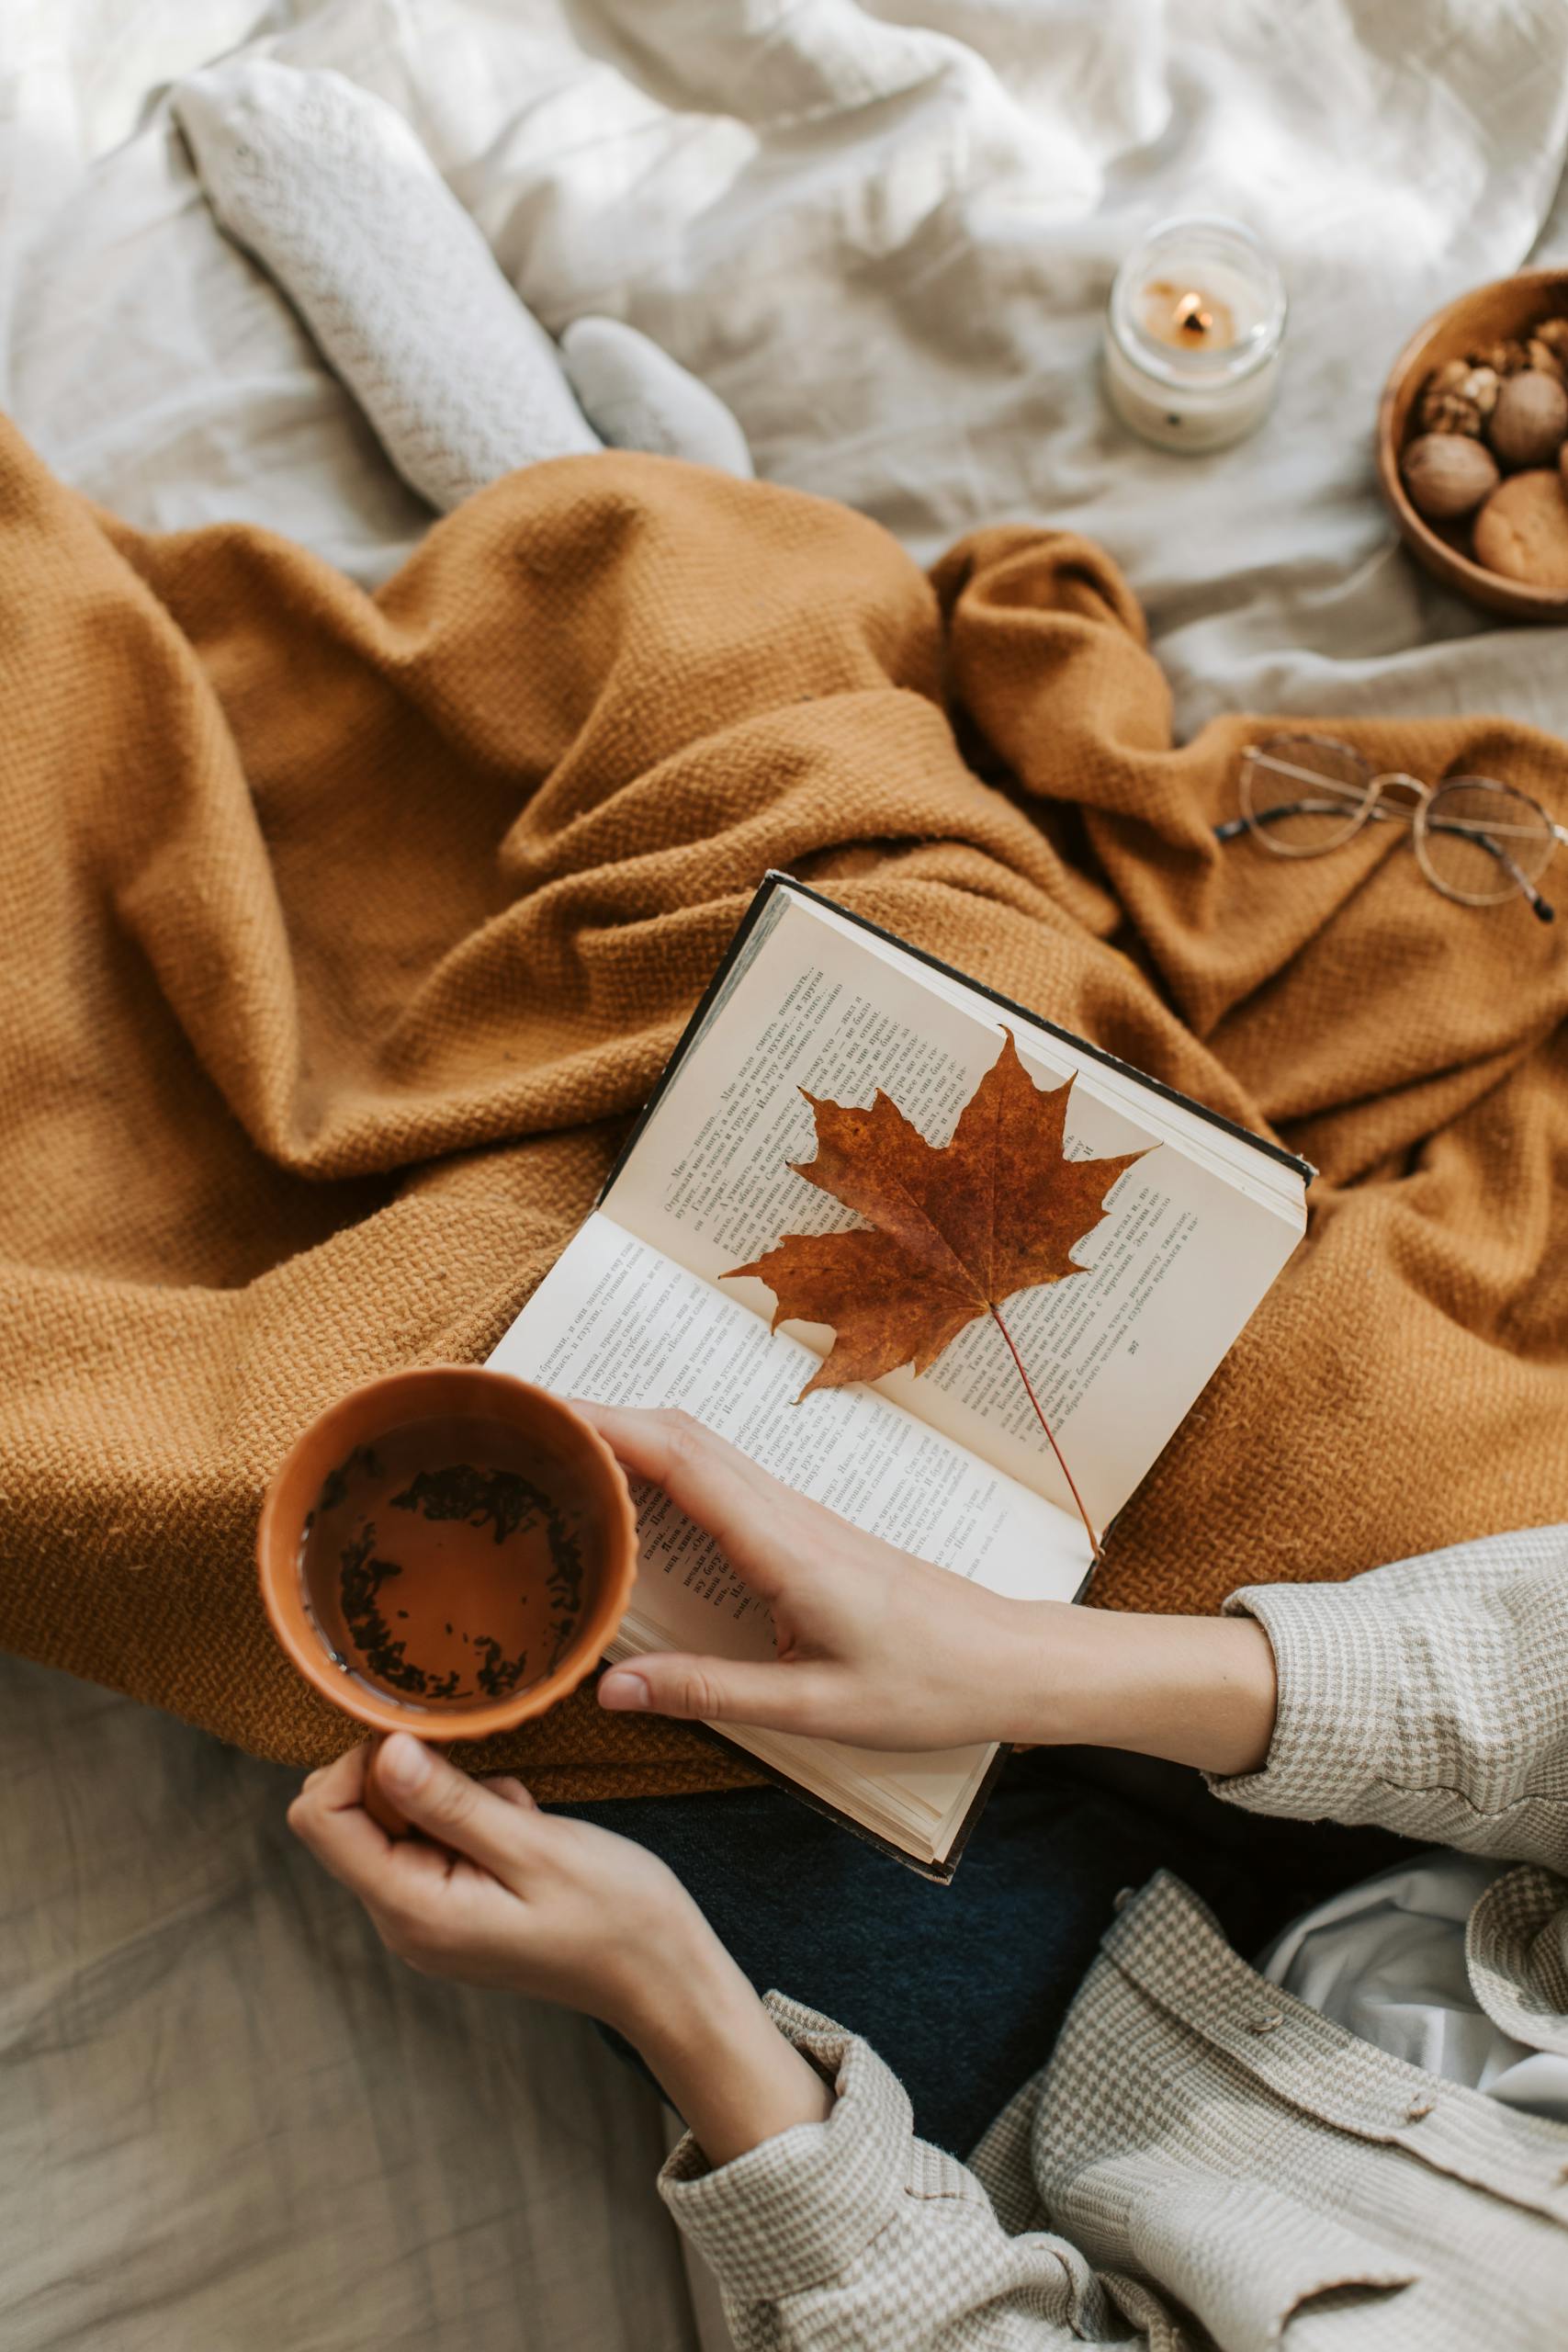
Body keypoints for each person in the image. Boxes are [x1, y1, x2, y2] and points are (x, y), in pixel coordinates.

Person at [290, 1403, 1568, 2348]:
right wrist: (1027, 1660)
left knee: (511, 1697)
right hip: (1438, 1798)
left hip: (1056, 2126)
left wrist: (670, 1993)